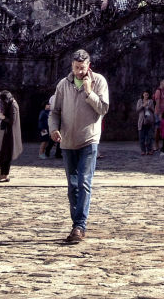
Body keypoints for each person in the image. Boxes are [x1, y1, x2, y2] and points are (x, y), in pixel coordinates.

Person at [48, 48, 110, 246]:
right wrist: (53, 129)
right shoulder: (63, 84)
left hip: (89, 140)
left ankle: (79, 225)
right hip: (67, 141)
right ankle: (77, 222)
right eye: (76, 68)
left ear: (88, 66)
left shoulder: (99, 81)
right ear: (72, 66)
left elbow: (103, 108)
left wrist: (89, 92)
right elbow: (55, 111)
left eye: (82, 68)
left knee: (84, 181)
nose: (79, 72)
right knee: (72, 185)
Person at [0, 90, 22, 182]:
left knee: (6, 154)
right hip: (5, 131)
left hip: (9, 133)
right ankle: (3, 174)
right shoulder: (10, 104)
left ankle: (5, 174)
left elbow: (12, 121)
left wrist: (3, 117)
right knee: (2, 154)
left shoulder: (13, 105)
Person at [152, 78, 164, 152]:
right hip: (158, 113)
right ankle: (156, 145)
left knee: (163, 129)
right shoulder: (158, 91)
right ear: (161, 83)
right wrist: (159, 113)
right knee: (158, 128)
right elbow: (157, 103)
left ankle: (163, 145)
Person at [137, 91, 156, 155]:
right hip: (142, 121)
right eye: (145, 95)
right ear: (143, 95)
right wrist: (143, 106)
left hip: (149, 121)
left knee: (149, 137)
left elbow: (153, 110)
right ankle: (143, 150)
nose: (146, 96)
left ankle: (149, 150)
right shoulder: (140, 101)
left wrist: (149, 107)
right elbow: (137, 110)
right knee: (141, 137)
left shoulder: (151, 101)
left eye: (147, 95)